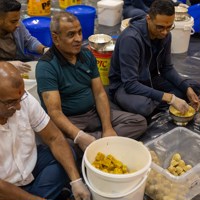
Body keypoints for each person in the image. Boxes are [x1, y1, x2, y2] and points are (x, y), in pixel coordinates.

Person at [36, 12, 147, 153]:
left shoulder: (87, 55)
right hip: (70, 120)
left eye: (79, 32)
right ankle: (99, 144)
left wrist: (107, 128)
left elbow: (100, 93)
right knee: (64, 146)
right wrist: (79, 136)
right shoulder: (46, 66)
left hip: (92, 113)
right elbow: (55, 112)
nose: (78, 39)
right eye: (71, 35)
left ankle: (96, 144)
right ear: (56, 38)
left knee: (139, 122)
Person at [0, 61, 90, 200]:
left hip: (30, 167)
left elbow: (54, 138)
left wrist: (76, 181)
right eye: (10, 102)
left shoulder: (25, 100)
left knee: (67, 153)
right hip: (5, 185)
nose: (18, 107)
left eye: (20, 98)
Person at [109, 0, 200, 118]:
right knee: (143, 107)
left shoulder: (166, 35)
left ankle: (159, 101)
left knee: (192, 87)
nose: (165, 32)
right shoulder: (131, 39)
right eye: (160, 27)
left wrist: (186, 88)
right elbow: (130, 84)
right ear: (148, 19)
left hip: (150, 79)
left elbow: (167, 69)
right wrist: (171, 98)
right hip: (123, 85)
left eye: (169, 27)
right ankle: (162, 101)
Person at [0, 0, 49, 73]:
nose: (18, 25)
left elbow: (29, 41)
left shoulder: (17, 25)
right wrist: (7, 64)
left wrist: (44, 49)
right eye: (13, 22)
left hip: (20, 61)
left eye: (18, 20)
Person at [123, 0, 187, 19]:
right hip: (132, 7)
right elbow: (137, 3)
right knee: (141, 15)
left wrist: (176, 4)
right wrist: (152, 11)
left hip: (150, 6)